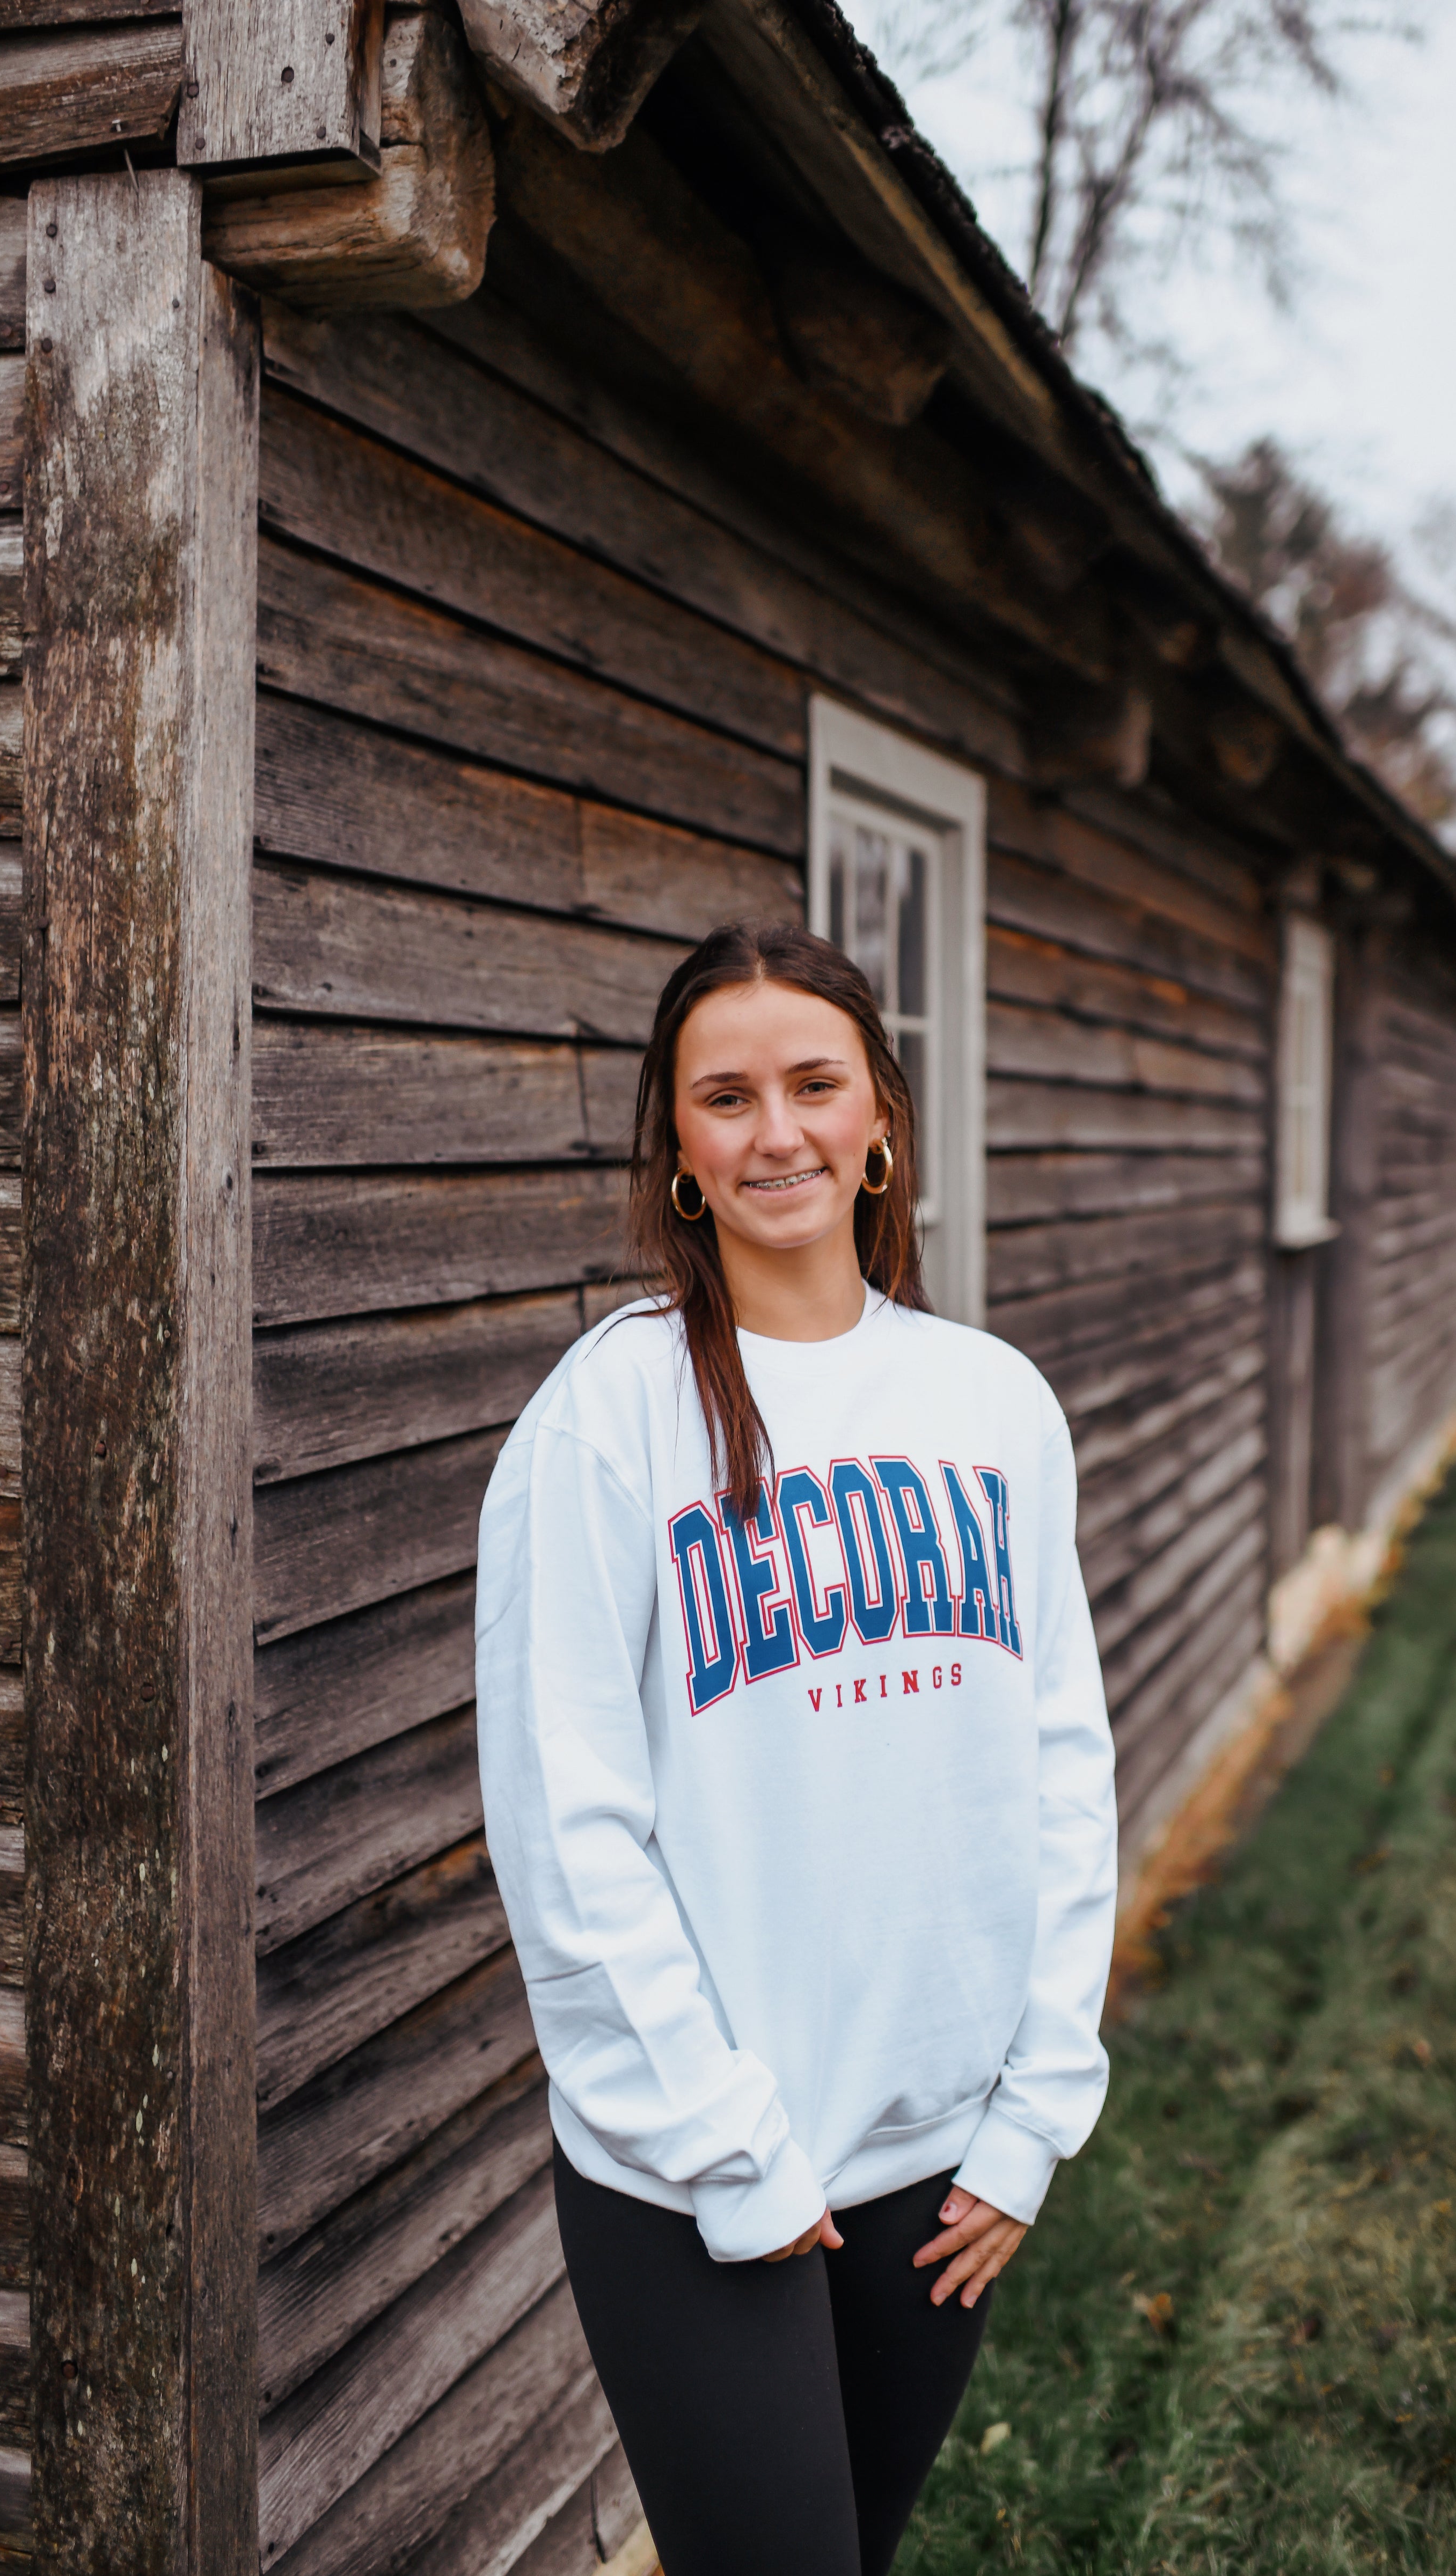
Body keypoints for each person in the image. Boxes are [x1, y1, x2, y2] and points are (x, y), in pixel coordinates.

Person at [476, 921, 1116, 2576]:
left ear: (882, 1118)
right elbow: (570, 1826)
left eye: (815, 1084)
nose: (778, 1132)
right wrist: (727, 2143)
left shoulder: (994, 1404)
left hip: (939, 2164)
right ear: (679, 1150)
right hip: (697, 2171)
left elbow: (1060, 1769)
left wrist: (1035, 2113)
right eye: (727, 1097)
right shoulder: (608, 1419)